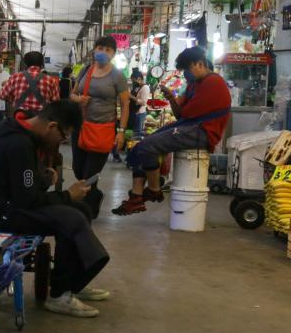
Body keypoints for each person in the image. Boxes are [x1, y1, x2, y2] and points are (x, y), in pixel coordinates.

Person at [0, 101, 111, 318]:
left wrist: (43, 178)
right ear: (51, 126)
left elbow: (23, 181)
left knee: (81, 210)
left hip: (13, 205)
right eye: (63, 136)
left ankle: (71, 284)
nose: (62, 141)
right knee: (71, 218)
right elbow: (28, 200)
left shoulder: (22, 134)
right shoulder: (19, 145)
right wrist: (67, 195)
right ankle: (59, 296)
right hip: (2, 215)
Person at [113, 47, 231, 216]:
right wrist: (171, 98)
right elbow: (179, 113)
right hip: (189, 126)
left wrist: (179, 103)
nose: (186, 75)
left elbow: (186, 113)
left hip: (202, 132)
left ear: (199, 64)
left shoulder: (213, 82)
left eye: (187, 70)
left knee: (148, 146)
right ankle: (137, 196)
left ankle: (154, 189)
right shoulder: (193, 85)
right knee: (138, 148)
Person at [70, 36, 130, 218]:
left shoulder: (117, 76)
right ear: (95, 49)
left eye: (108, 50)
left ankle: (86, 211)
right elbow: (72, 94)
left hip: (103, 129)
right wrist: (79, 99)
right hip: (81, 127)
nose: (103, 52)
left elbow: (125, 105)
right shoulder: (85, 70)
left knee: (90, 174)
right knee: (78, 170)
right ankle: (95, 195)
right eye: (101, 48)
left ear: (113, 54)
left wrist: (121, 132)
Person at [0, 50, 60, 117]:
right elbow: (56, 102)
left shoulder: (15, 77)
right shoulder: (50, 80)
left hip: (19, 119)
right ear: (42, 65)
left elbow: (2, 95)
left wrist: (14, 99)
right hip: (41, 120)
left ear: (25, 64)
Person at [129, 70, 151, 139]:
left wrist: (131, 97)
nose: (133, 82)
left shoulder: (145, 88)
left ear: (139, 78)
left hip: (139, 113)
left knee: (137, 134)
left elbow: (143, 102)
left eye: (134, 80)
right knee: (133, 133)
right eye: (132, 80)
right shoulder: (137, 86)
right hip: (133, 112)